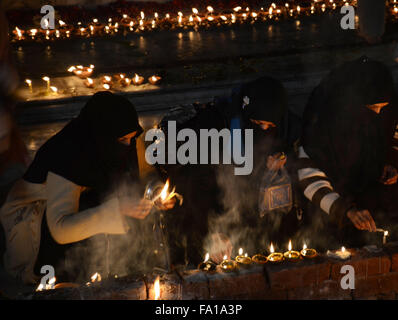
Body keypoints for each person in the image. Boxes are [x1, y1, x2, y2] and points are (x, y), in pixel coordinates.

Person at [0, 91, 175, 284]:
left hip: (90, 204)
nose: (129, 145)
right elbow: (61, 229)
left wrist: (156, 192)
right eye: (122, 140)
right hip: (39, 225)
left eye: (132, 138)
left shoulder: (128, 138)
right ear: (102, 136)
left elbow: (146, 173)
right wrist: (117, 208)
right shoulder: (68, 156)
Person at [157, 76, 302, 265]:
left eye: (270, 125)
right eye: (258, 123)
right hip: (211, 219)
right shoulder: (215, 127)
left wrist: (281, 157)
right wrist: (212, 232)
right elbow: (195, 187)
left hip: (253, 224)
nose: (265, 129)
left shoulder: (284, 125)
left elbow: (289, 148)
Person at [297, 57, 398, 248]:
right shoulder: (323, 122)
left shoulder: (387, 109)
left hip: (375, 208)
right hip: (331, 215)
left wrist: (391, 164)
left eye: (382, 109)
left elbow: (390, 138)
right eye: (372, 108)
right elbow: (308, 175)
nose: (377, 114)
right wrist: (345, 210)